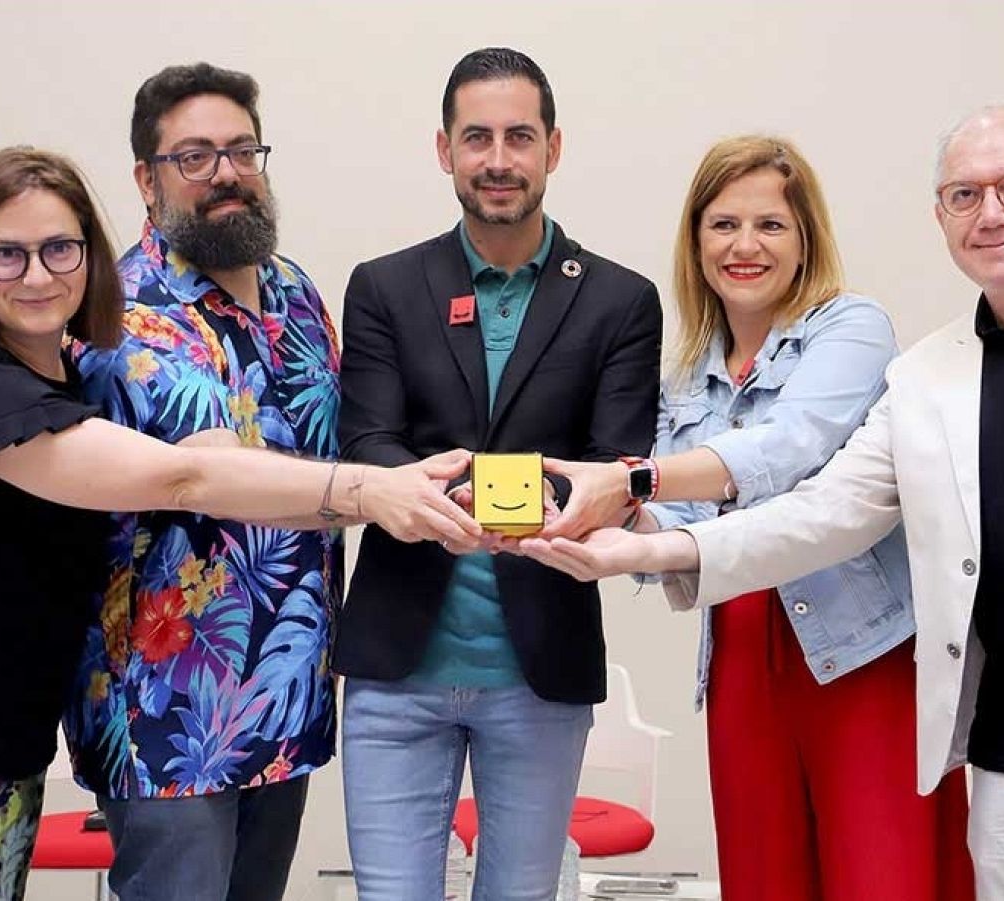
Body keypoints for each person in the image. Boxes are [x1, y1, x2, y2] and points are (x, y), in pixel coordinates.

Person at [523, 102, 1004, 901]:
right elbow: (825, 513)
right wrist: (642, 544)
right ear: (941, 216)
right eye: (964, 196)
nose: (991, 213)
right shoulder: (928, 375)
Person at [0, 146, 476, 900]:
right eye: (6, 254)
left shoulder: (61, 366)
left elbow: (200, 471)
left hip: (2, 725)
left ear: (91, 254)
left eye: (60, 248)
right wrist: (369, 492)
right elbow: (179, 477)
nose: (37, 274)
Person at [540, 135, 973, 900]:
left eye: (771, 224)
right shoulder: (686, 374)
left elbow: (789, 445)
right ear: (695, 239)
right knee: (763, 880)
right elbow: (670, 514)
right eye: (723, 224)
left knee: (883, 880)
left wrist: (628, 478)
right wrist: (583, 520)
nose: (745, 245)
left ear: (806, 239)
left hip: (861, 656)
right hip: (740, 658)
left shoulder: (853, 326)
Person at [61, 63, 424, 901]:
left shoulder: (296, 292)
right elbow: (211, 470)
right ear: (146, 181)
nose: (225, 172)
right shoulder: (123, 307)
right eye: (193, 156)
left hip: (288, 694)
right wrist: (374, 491)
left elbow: (349, 439)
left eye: (240, 149)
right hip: (166, 715)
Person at [335, 47, 662, 899]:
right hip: (396, 669)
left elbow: (621, 465)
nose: (498, 159)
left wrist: (587, 495)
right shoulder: (384, 287)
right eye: (476, 137)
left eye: (520, 136)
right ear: (444, 150)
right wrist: (439, 494)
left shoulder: (620, 301)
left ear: (554, 147)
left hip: (538, 671)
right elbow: (367, 441)